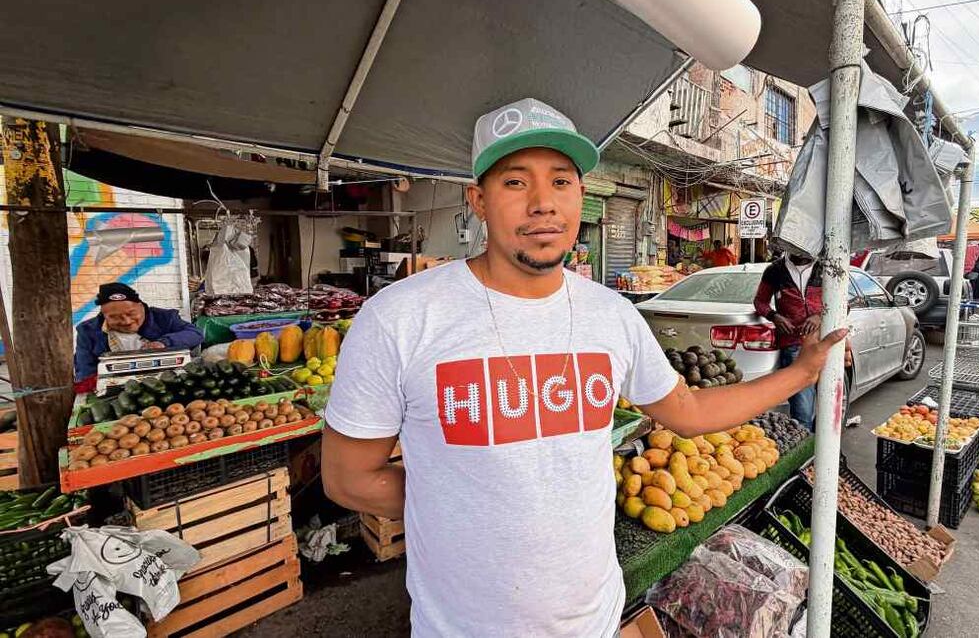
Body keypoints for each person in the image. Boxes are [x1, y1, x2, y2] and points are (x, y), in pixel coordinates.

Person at [318, 98, 847, 637]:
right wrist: (457, 498)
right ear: (477, 199)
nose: (543, 204)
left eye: (562, 181)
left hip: (592, 619)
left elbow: (686, 411)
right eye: (516, 183)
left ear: (581, 194)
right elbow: (348, 477)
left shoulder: (612, 316)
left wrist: (801, 373)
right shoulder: (401, 317)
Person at [74, 283, 204, 392]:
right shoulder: (88, 331)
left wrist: (164, 343)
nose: (126, 321)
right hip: (117, 391)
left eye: (131, 313)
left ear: (141, 306)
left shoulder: (164, 318)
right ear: (104, 315)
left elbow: (195, 334)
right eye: (114, 317)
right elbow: (85, 372)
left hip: (167, 384)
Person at [753, 252, 823, 429]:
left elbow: (844, 304)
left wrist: (819, 317)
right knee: (803, 411)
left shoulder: (827, 267)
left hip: (826, 343)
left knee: (828, 407)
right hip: (794, 346)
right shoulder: (775, 270)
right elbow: (760, 301)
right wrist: (775, 316)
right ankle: (806, 452)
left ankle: (823, 451)